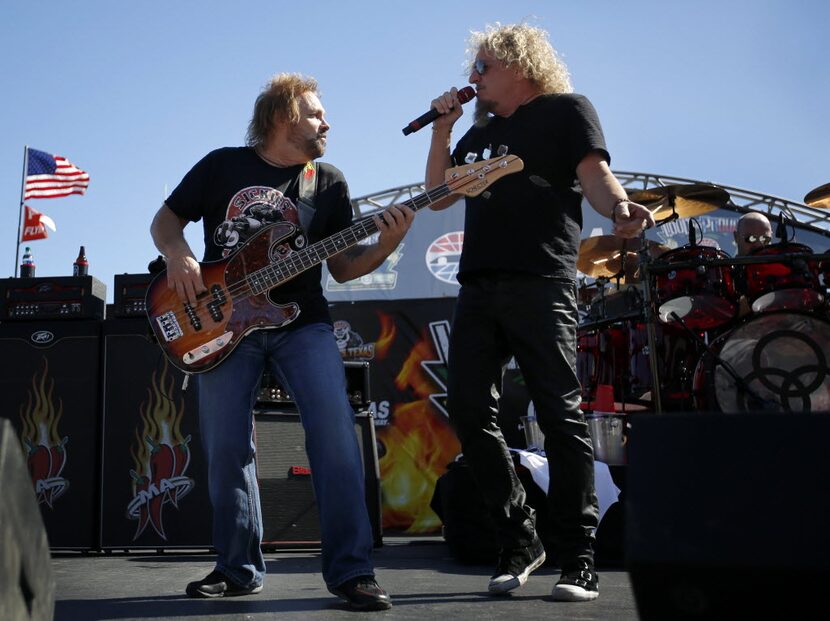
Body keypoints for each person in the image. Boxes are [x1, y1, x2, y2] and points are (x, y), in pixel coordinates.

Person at [150, 73, 413, 610]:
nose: (327, 122)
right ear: (282, 117)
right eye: (316, 113)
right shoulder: (223, 164)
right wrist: (179, 256)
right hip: (223, 324)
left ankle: (352, 572)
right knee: (227, 447)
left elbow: (342, 266)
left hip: (302, 322)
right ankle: (237, 568)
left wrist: (387, 242)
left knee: (337, 436)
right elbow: (166, 220)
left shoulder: (328, 182)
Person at [423, 23, 654, 602]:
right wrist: (443, 129)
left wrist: (622, 206)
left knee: (559, 411)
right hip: (478, 283)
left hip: (541, 279)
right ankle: (519, 538)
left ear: (517, 66)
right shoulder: (479, 133)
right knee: (470, 409)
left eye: (481, 67)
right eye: (472, 69)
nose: (472, 78)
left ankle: (579, 555)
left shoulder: (565, 111)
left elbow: (595, 177)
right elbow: (439, 194)